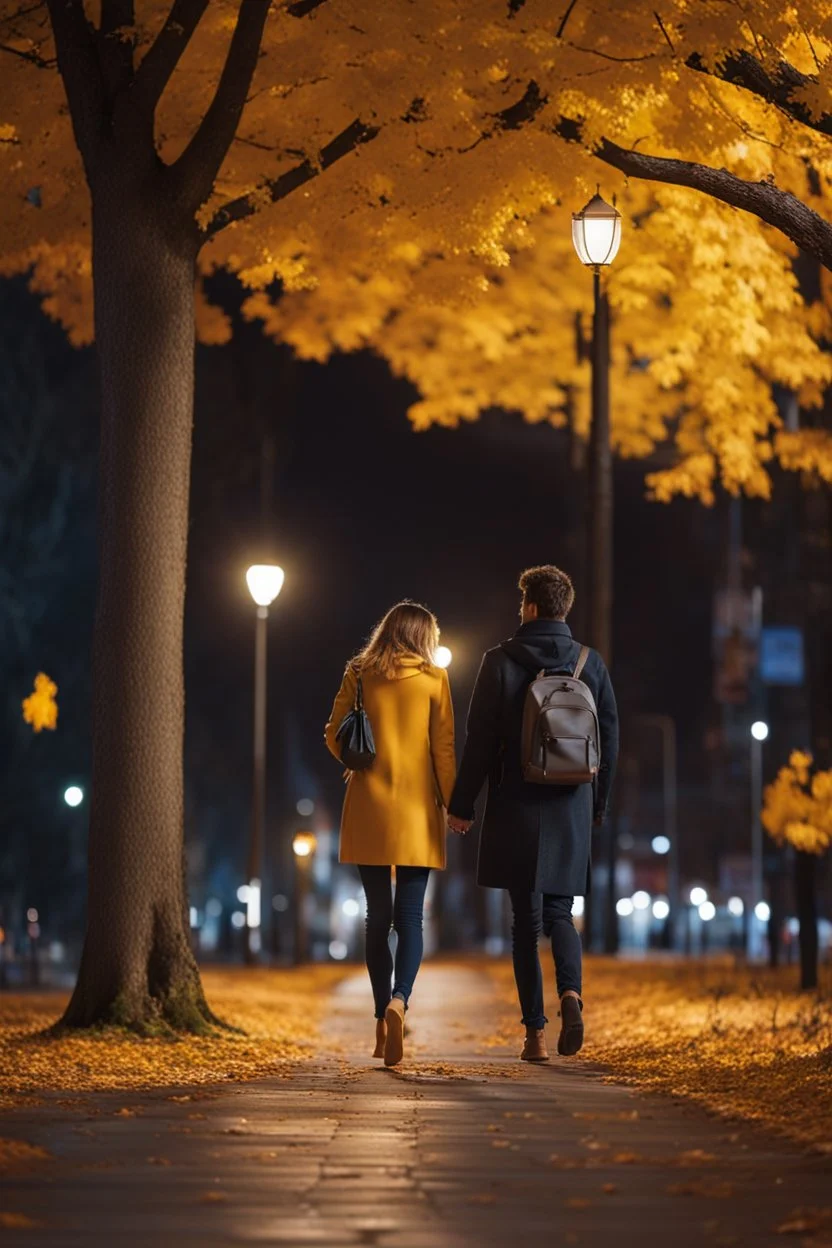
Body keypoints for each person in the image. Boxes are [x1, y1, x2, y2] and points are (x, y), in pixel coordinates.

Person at [447, 566, 618, 1062]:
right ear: (563, 607)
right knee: (561, 914)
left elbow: (478, 742)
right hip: (571, 804)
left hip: (516, 801)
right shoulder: (591, 664)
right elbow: (609, 738)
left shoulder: (499, 660)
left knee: (525, 922)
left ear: (530, 607)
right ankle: (571, 995)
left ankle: (535, 1037)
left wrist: (462, 807)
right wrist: (598, 805)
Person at [325, 601, 456, 1067]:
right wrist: (455, 805)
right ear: (426, 637)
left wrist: (359, 759)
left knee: (376, 919)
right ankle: (402, 999)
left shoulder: (359, 672)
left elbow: (334, 734)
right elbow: (443, 748)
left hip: (369, 806)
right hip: (418, 810)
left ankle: (381, 1021)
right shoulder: (433, 677)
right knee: (411, 918)